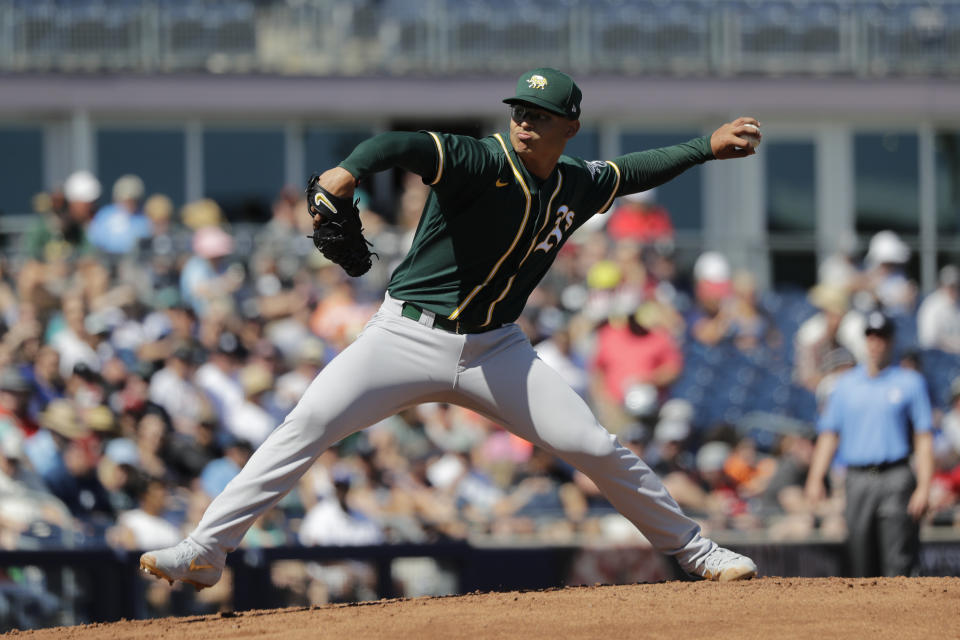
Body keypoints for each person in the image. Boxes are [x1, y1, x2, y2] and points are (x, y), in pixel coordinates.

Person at [140, 67, 760, 589]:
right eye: (520, 109)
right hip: (404, 337)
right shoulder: (476, 158)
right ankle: (205, 551)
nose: (524, 121)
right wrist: (346, 172)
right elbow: (400, 146)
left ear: (568, 128)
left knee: (595, 446)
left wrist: (705, 145)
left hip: (496, 349)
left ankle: (696, 551)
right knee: (306, 425)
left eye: (540, 115)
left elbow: (635, 169)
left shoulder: (577, 182)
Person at [805, 311, 934, 577]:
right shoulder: (845, 386)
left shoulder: (910, 383)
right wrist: (815, 477)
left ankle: (902, 617)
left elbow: (923, 438)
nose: (876, 343)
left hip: (896, 476)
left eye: (882, 337)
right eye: (871, 336)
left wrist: (924, 486)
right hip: (857, 478)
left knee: (898, 558)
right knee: (860, 557)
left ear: (892, 340)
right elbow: (829, 434)